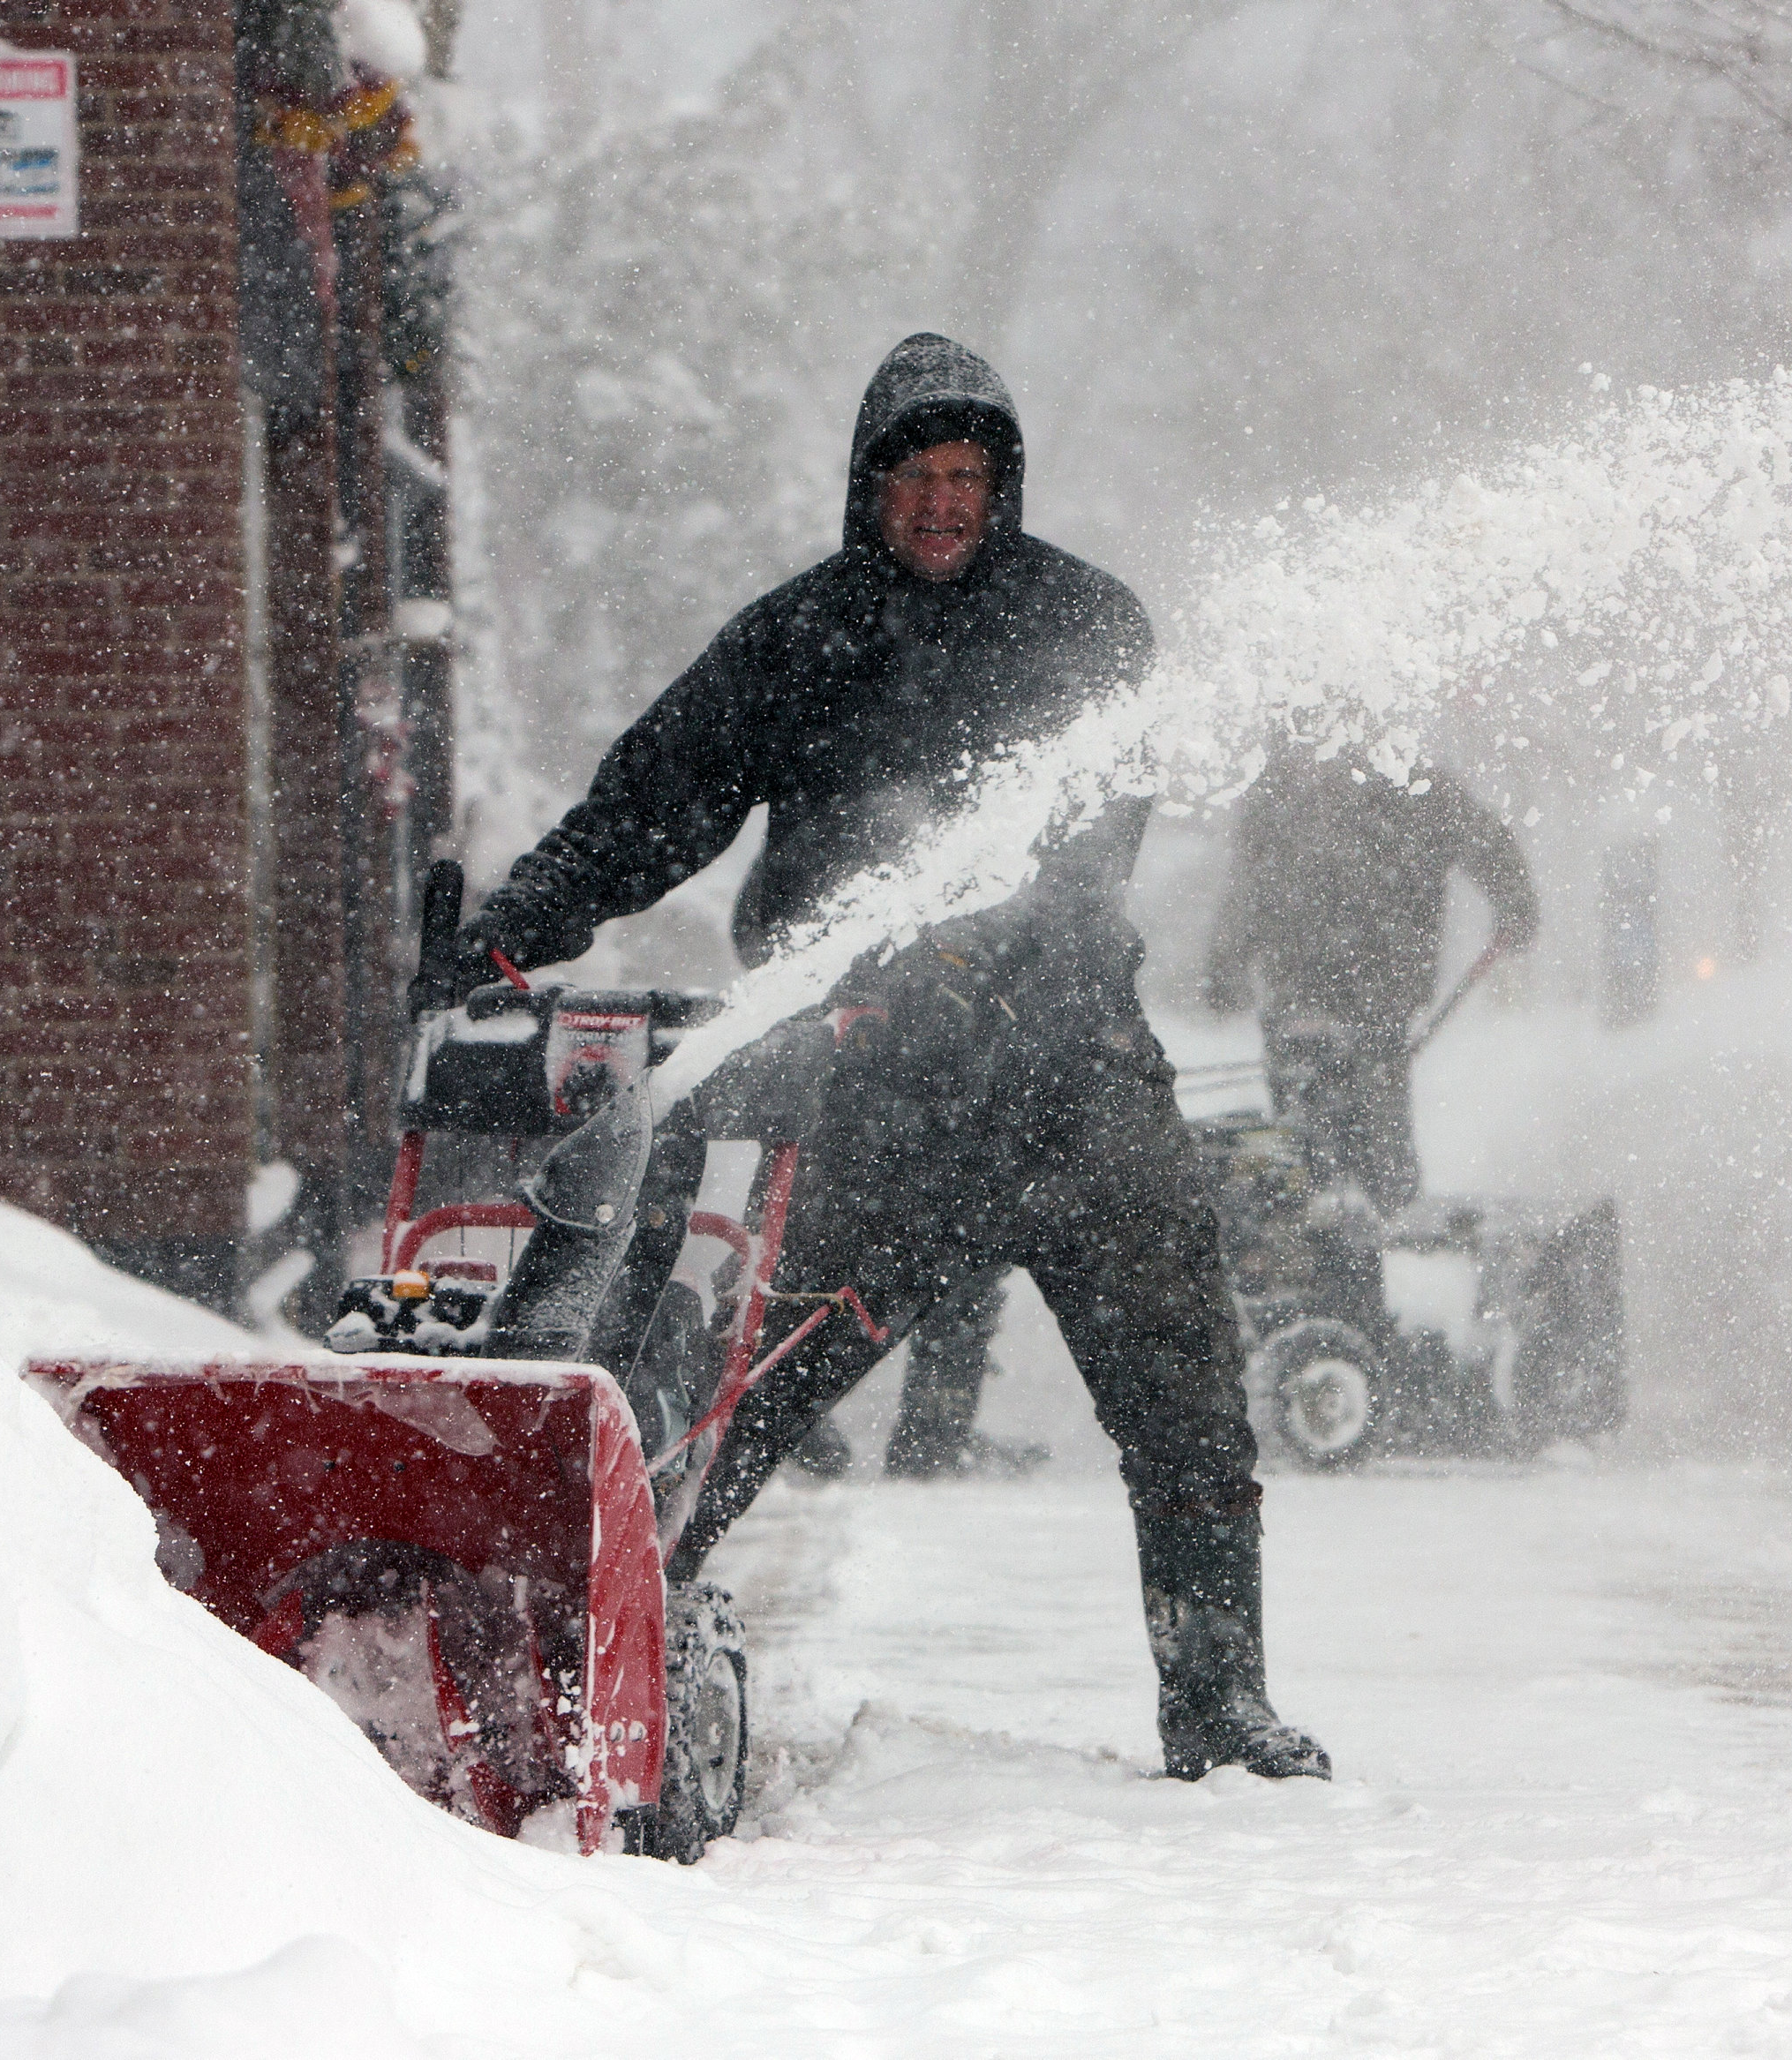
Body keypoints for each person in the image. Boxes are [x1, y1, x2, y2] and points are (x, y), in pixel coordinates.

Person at [425, 334, 1327, 1782]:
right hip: (876, 1102)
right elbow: (653, 807)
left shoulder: (1086, 624)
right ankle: (601, 1677)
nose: (943, 504)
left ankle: (1223, 1707)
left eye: (968, 476)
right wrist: (517, 927)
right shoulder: (799, 639)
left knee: (1189, 1407)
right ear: (871, 484)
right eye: (917, 477)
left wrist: (987, 950)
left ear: (1004, 485)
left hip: (1078, 1083)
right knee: (730, 1397)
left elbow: (1091, 839)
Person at [1203, 747, 1539, 1211]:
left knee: (1307, 1120)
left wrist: (1225, 965)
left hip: (1310, 981)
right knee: (1374, 1111)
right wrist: (1517, 906)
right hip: (1375, 981)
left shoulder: (1284, 784)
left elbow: (1247, 880)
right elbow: (1487, 842)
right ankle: (1379, 1206)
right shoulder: (1411, 783)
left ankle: (1316, 1207)